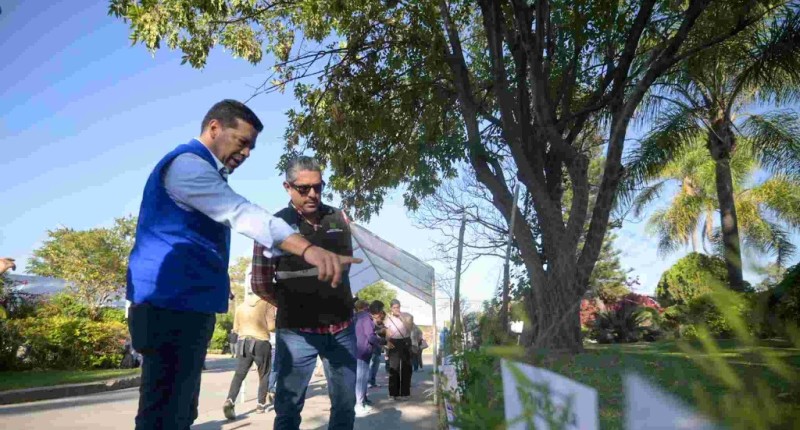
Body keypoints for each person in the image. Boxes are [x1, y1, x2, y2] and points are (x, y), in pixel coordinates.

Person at [126, 100, 359, 430]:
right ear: (215, 129)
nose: (247, 152)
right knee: (164, 414)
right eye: (242, 142)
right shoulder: (187, 167)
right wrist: (309, 250)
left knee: (178, 413)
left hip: (187, 308)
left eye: (252, 146)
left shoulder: (336, 218)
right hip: (169, 308)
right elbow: (243, 214)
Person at [250, 156, 358, 430]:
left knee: (345, 406)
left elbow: (343, 267)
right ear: (287, 187)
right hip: (297, 334)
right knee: (287, 408)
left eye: (318, 187)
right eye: (304, 188)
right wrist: (291, 303)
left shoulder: (339, 218)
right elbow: (260, 283)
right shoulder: (272, 227)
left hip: (341, 330)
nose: (313, 194)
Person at [223, 294, 277, 419]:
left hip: (243, 342)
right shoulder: (266, 303)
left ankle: (230, 400)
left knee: (239, 374)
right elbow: (271, 327)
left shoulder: (241, 306)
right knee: (264, 374)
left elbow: (236, 328)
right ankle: (260, 404)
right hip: (261, 342)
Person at [353, 300, 384, 416]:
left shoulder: (358, 316)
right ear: (378, 311)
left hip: (357, 350)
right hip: (362, 352)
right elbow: (370, 337)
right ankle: (359, 405)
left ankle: (363, 400)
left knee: (361, 378)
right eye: (380, 311)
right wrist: (381, 341)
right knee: (361, 379)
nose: (381, 314)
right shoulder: (367, 319)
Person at [385, 299, 413, 400]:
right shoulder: (388, 318)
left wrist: (402, 318)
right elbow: (387, 332)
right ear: (391, 308)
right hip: (394, 342)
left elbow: (410, 328)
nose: (397, 309)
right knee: (394, 368)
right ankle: (393, 393)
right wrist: (387, 343)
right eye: (394, 307)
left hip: (405, 341)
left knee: (406, 367)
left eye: (398, 307)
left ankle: (405, 393)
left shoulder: (407, 316)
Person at [367, 302, 386, 389]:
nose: (382, 314)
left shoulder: (380, 321)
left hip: (377, 348)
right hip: (371, 348)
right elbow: (371, 335)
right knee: (370, 365)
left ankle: (372, 381)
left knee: (375, 365)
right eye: (381, 311)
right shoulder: (369, 320)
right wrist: (380, 332)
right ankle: (368, 382)